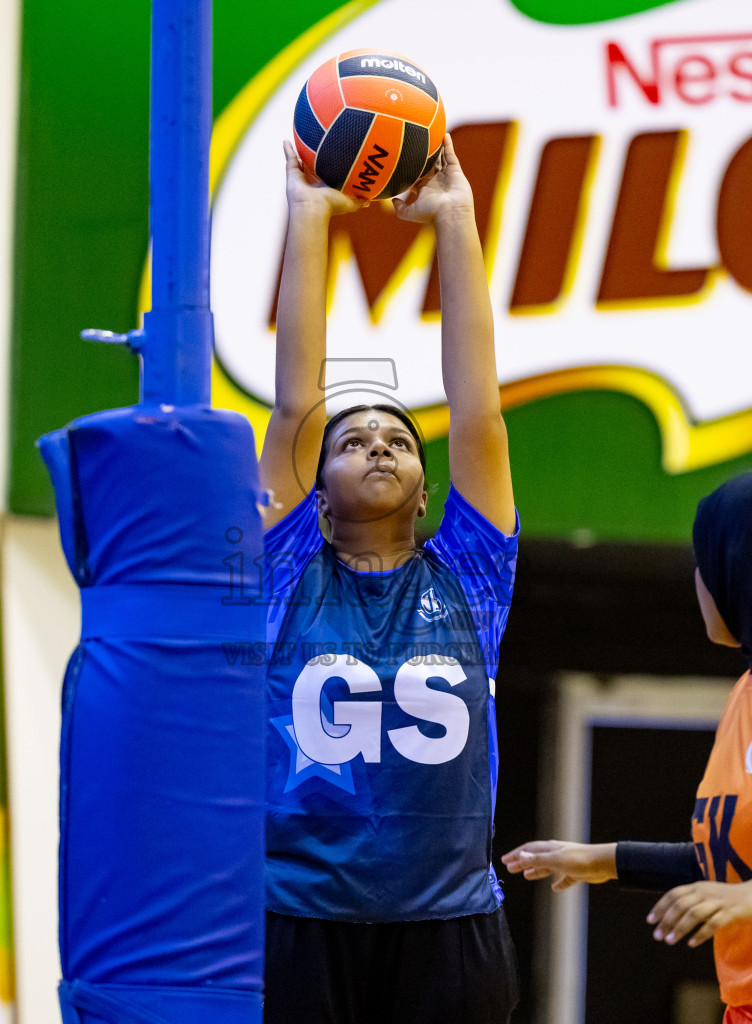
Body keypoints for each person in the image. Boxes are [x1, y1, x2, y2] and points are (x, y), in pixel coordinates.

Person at [257, 135, 520, 1024]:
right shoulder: (282, 573)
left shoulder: (473, 577)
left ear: (425, 489)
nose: (377, 443)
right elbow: (296, 405)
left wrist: (456, 219)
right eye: (353, 440)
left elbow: (479, 408)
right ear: (315, 492)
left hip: (447, 926)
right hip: (297, 920)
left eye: (400, 440)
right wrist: (309, 216)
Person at [505, 466, 752, 1024]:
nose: (699, 581)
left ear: (744, 570)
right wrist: (602, 861)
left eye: (703, 562)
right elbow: (740, 866)